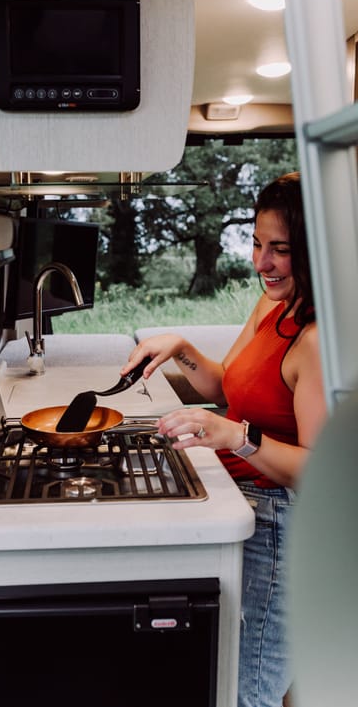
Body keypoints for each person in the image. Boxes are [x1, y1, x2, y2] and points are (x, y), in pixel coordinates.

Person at [120, 172, 327, 707]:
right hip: (236, 500)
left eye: (279, 250)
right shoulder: (272, 305)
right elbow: (224, 383)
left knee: (247, 691)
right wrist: (180, 346)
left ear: (316, 250)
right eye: (258, 244)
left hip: (280, 525)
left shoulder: (319, 340)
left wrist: (236, 435)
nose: (261, 263)